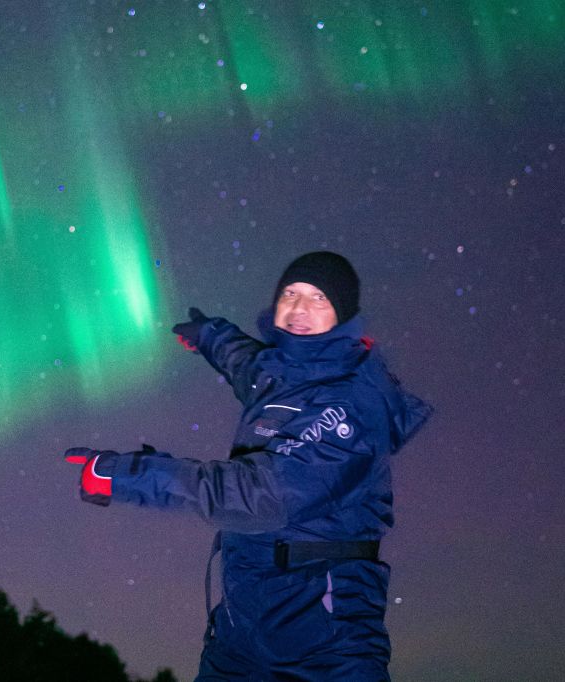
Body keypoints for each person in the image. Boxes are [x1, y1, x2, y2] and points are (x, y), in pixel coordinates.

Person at [64, 251, 432, 681]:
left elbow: (261, 496)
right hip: (240, 636)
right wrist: (210, 335)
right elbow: (246, 362)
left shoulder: (352, 406)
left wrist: (132, 474)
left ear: (343, 315)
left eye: (318, 298)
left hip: (325, 644)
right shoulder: (281, 372)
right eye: (291, 294)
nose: (299, 309)